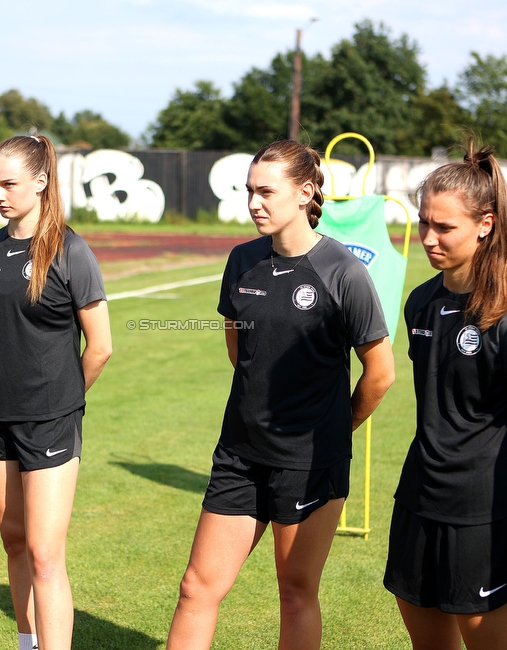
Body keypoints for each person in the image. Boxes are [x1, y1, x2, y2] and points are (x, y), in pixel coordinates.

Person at [166, 139, 395, 650]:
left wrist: (333, 426)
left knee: (294, 593)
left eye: (266, 191)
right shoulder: (241, 260)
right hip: (239, 454)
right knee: (196, 588)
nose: (253, 203)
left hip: (309, 462)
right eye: (249, 191)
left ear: (305, 192)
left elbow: (380, 373)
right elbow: (241, 348)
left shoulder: (344, 273)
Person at [383, 140, 507, 650]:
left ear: (485, 225)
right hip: (417, 502)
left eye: (444, 227)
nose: (428, 238)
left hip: (485, 516)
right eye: (424, 224)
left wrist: (506, 503)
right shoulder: (420, 303)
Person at [0, 134, 112, 650]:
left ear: (41, 182)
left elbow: (100, 346)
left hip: (51, 420)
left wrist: (64, 399)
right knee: (15, 542)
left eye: (9, 183)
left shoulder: (70, 250)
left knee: (47, 555)